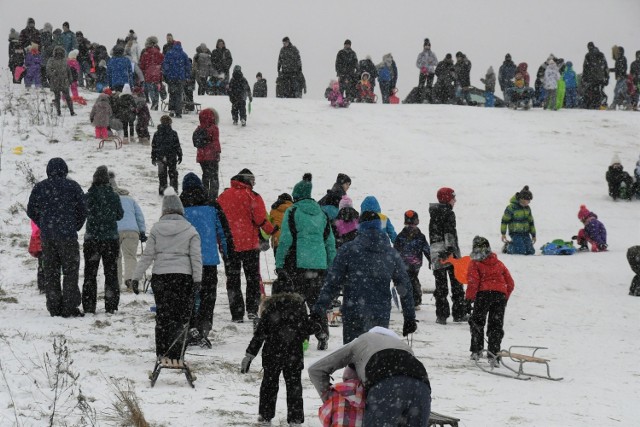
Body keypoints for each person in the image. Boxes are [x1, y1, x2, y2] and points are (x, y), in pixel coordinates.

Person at [312, 211, 416, 344]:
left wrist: (319, 309)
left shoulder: (348, 250)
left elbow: (333, 283)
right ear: (379, 226)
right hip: (380, 314)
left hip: (353, 312)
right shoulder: (391, 254)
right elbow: (404, 287)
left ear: (360, 227)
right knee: (375, 357)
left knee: (354, 357)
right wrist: (409, 317)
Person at [131, 188, 202, 362]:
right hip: (183, 278)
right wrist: (197, 279)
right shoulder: (190, 230)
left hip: (161, 277)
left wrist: (136, 277)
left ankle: (161, 352)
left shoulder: (156, 229)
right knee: (180, 317)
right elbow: (196, 257)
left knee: (163, 315)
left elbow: (147, 256)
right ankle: (176, 354)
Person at [308, 327, 431, 426]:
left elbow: (316, 370)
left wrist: (330, 397)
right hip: (422, 387)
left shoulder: (360, 341)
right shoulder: (404, 347)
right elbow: (406, 381)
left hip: (385, 386)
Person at [240, 276, 317, 426]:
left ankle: (265, 416)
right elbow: (307, 329)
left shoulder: (269, 309)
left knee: (269, 384)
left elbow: (260, 335)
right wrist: (317, 324)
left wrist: (249, 355)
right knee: (294, 386)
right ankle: (295, 419)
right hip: (293, 353)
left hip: (272, 353)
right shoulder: (299, 308)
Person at [275, 173, 336, 350]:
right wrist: (332, 266)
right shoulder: (322, 213)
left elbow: (285, 239)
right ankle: (321, 332)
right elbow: (330, 242)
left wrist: (279, 264)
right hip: (319, 265)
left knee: (298, 303)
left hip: (298, 264)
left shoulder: (292, 211)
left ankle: (301, 339)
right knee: (317, 302)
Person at [27, 158, 87, 317]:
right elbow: (83, 209)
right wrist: (75, 225)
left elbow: (30, 210)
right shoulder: (72, 186)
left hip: (48, 237)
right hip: (67, 235)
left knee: (51, 272)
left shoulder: (40, 187)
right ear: (65, 170)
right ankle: (69, 307)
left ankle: (54, 307)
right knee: (70, 271)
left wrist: (44, 224)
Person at [217, 169, 275, 322]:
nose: (254, 184)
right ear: (248, 180)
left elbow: (218, 220)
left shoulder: (223, 196)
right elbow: (260, 219)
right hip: (250, 244)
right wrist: (272, 230)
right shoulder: (252, 196)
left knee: (233, 279)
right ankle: (252, 310)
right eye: (253, 181)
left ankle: (237, 314)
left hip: (229, 245)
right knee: (252, 278)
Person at [180, 173, 229, 348]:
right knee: (208, 295)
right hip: (208, 260)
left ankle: (190, 325)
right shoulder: (212, 205)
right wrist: (227, 255)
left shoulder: (179, 207)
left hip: (186, 261)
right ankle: (204, 326)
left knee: (188, 295)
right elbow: (223, 233)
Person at [466, 236, 515, 366]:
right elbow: (510, 283)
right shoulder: (499, 264)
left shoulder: (474, 264)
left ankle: (477, 350)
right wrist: (505, 297)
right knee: (496, 326)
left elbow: (473, 282)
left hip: (483, 295)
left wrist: (469, 299)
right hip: (499, 296)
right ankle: (494, 354)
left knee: (477, 322)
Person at [82, 166, 124, 315]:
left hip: (92, 239)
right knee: (111, 273)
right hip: (110, 239)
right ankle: (111, 306)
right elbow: (120, 215)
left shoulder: (89, 196)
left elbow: (83, 212)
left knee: (90, 274)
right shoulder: (114, 196)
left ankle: (88, 307)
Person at [429, 187, 468, 324]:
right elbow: (449, 232)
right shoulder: (448, 213)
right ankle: (459, 313)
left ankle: (441, 315)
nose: (455, 200)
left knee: (440, 286)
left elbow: (434, 235)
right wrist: (450, 249)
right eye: (453, 198)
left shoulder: (434, 213)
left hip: (436, 253)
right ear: (447, 199)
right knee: (456, 283)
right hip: (448, 253)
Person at [108, 171, 146, 290]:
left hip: (114, 231)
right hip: (132, 231)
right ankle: (130, 279)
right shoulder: (129, 199)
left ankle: (116, 282)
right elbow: (139, 216)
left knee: (116, 257)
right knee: (130, 256)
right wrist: (142, 231)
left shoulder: (108, 200)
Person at [394, 210, 431, 311]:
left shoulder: (403, 236)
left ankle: (412, 301)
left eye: (412, 224)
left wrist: (431, 259)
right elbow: (395, 251)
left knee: (409, 282)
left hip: (410, 264)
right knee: (411, 281)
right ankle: (413, 301)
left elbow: (426, 249)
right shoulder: (406, 236)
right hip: (410, 264)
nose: (411, 226)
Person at [194, 108, 222, 198]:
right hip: (212, 157)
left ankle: (205, 194)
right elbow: (215, 142)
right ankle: (213, 196)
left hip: (202, 157)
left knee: (205, 176)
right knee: (214, 177)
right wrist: (217, 153)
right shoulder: (214, 128)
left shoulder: (199, 128)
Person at [151, 115, 182, 194]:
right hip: (171, 156)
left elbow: (154, 146)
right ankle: (173, 189)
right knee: (173, 173)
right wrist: (180, 155)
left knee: (162, 174)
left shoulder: (157, 133)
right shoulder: (173, 133)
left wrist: (153, 157)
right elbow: (177, 145)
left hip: (160, 156)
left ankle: (162, 188)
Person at [500, 186, 536, 255]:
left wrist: (533, 235)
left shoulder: (527, 208)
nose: (529, 202)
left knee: (530, 251)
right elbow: (504, 221)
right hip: (515, 233)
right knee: (521, 251)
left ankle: (518, 245)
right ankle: (508, 247)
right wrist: (503, 233)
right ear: (522, 199)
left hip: (525, 233)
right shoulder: (511, 207)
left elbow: (531, 222)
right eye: (528, 200)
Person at [162, 41, 191, 118]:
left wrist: (166, 74)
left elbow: (165, 65)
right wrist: (187, 76)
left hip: (171, 77)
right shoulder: (184, 54)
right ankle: (178, 112)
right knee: (179, 94)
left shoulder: (169, 53)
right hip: (180, 78)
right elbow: (188, 66)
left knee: (172, 94)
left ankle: (172, 110)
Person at [46, 46, 76, 116]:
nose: (59, 54)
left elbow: (68, 71)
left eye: (60, 52)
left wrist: (70, 80)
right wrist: (53, 73)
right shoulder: (51, 60)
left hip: (64, 81)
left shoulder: (65, 60)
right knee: (58, 97)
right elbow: (48, 70)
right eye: (58, 52)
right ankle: (59, 112)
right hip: (56, 81)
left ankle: (71, 111)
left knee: (67, 97)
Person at [139, 36, 164, 110]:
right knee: (156, 89)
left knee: (151, 90)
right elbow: (163, 63)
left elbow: (142, 65)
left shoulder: (146, 53)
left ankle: (154, 102)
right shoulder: (159, 53)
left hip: (149, 75)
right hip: (157, 74)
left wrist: (143, 71)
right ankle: (156, 103)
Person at [582, 42, 609, 109]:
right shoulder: (601, 54)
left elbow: (585, 67)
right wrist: (607, 77)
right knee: (600, 90)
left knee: (592, 91)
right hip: (601, 77)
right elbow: (606, 67)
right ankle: (602, 104)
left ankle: (595, 104)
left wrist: (584, 77)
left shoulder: (588, 55)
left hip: (592, 78)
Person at [269, 193, 293, 257]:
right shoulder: (294, 209)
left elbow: (269, 226)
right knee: (291, 265)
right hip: (292, 241)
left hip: (277, 240)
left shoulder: (274, 210)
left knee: (279, 264)